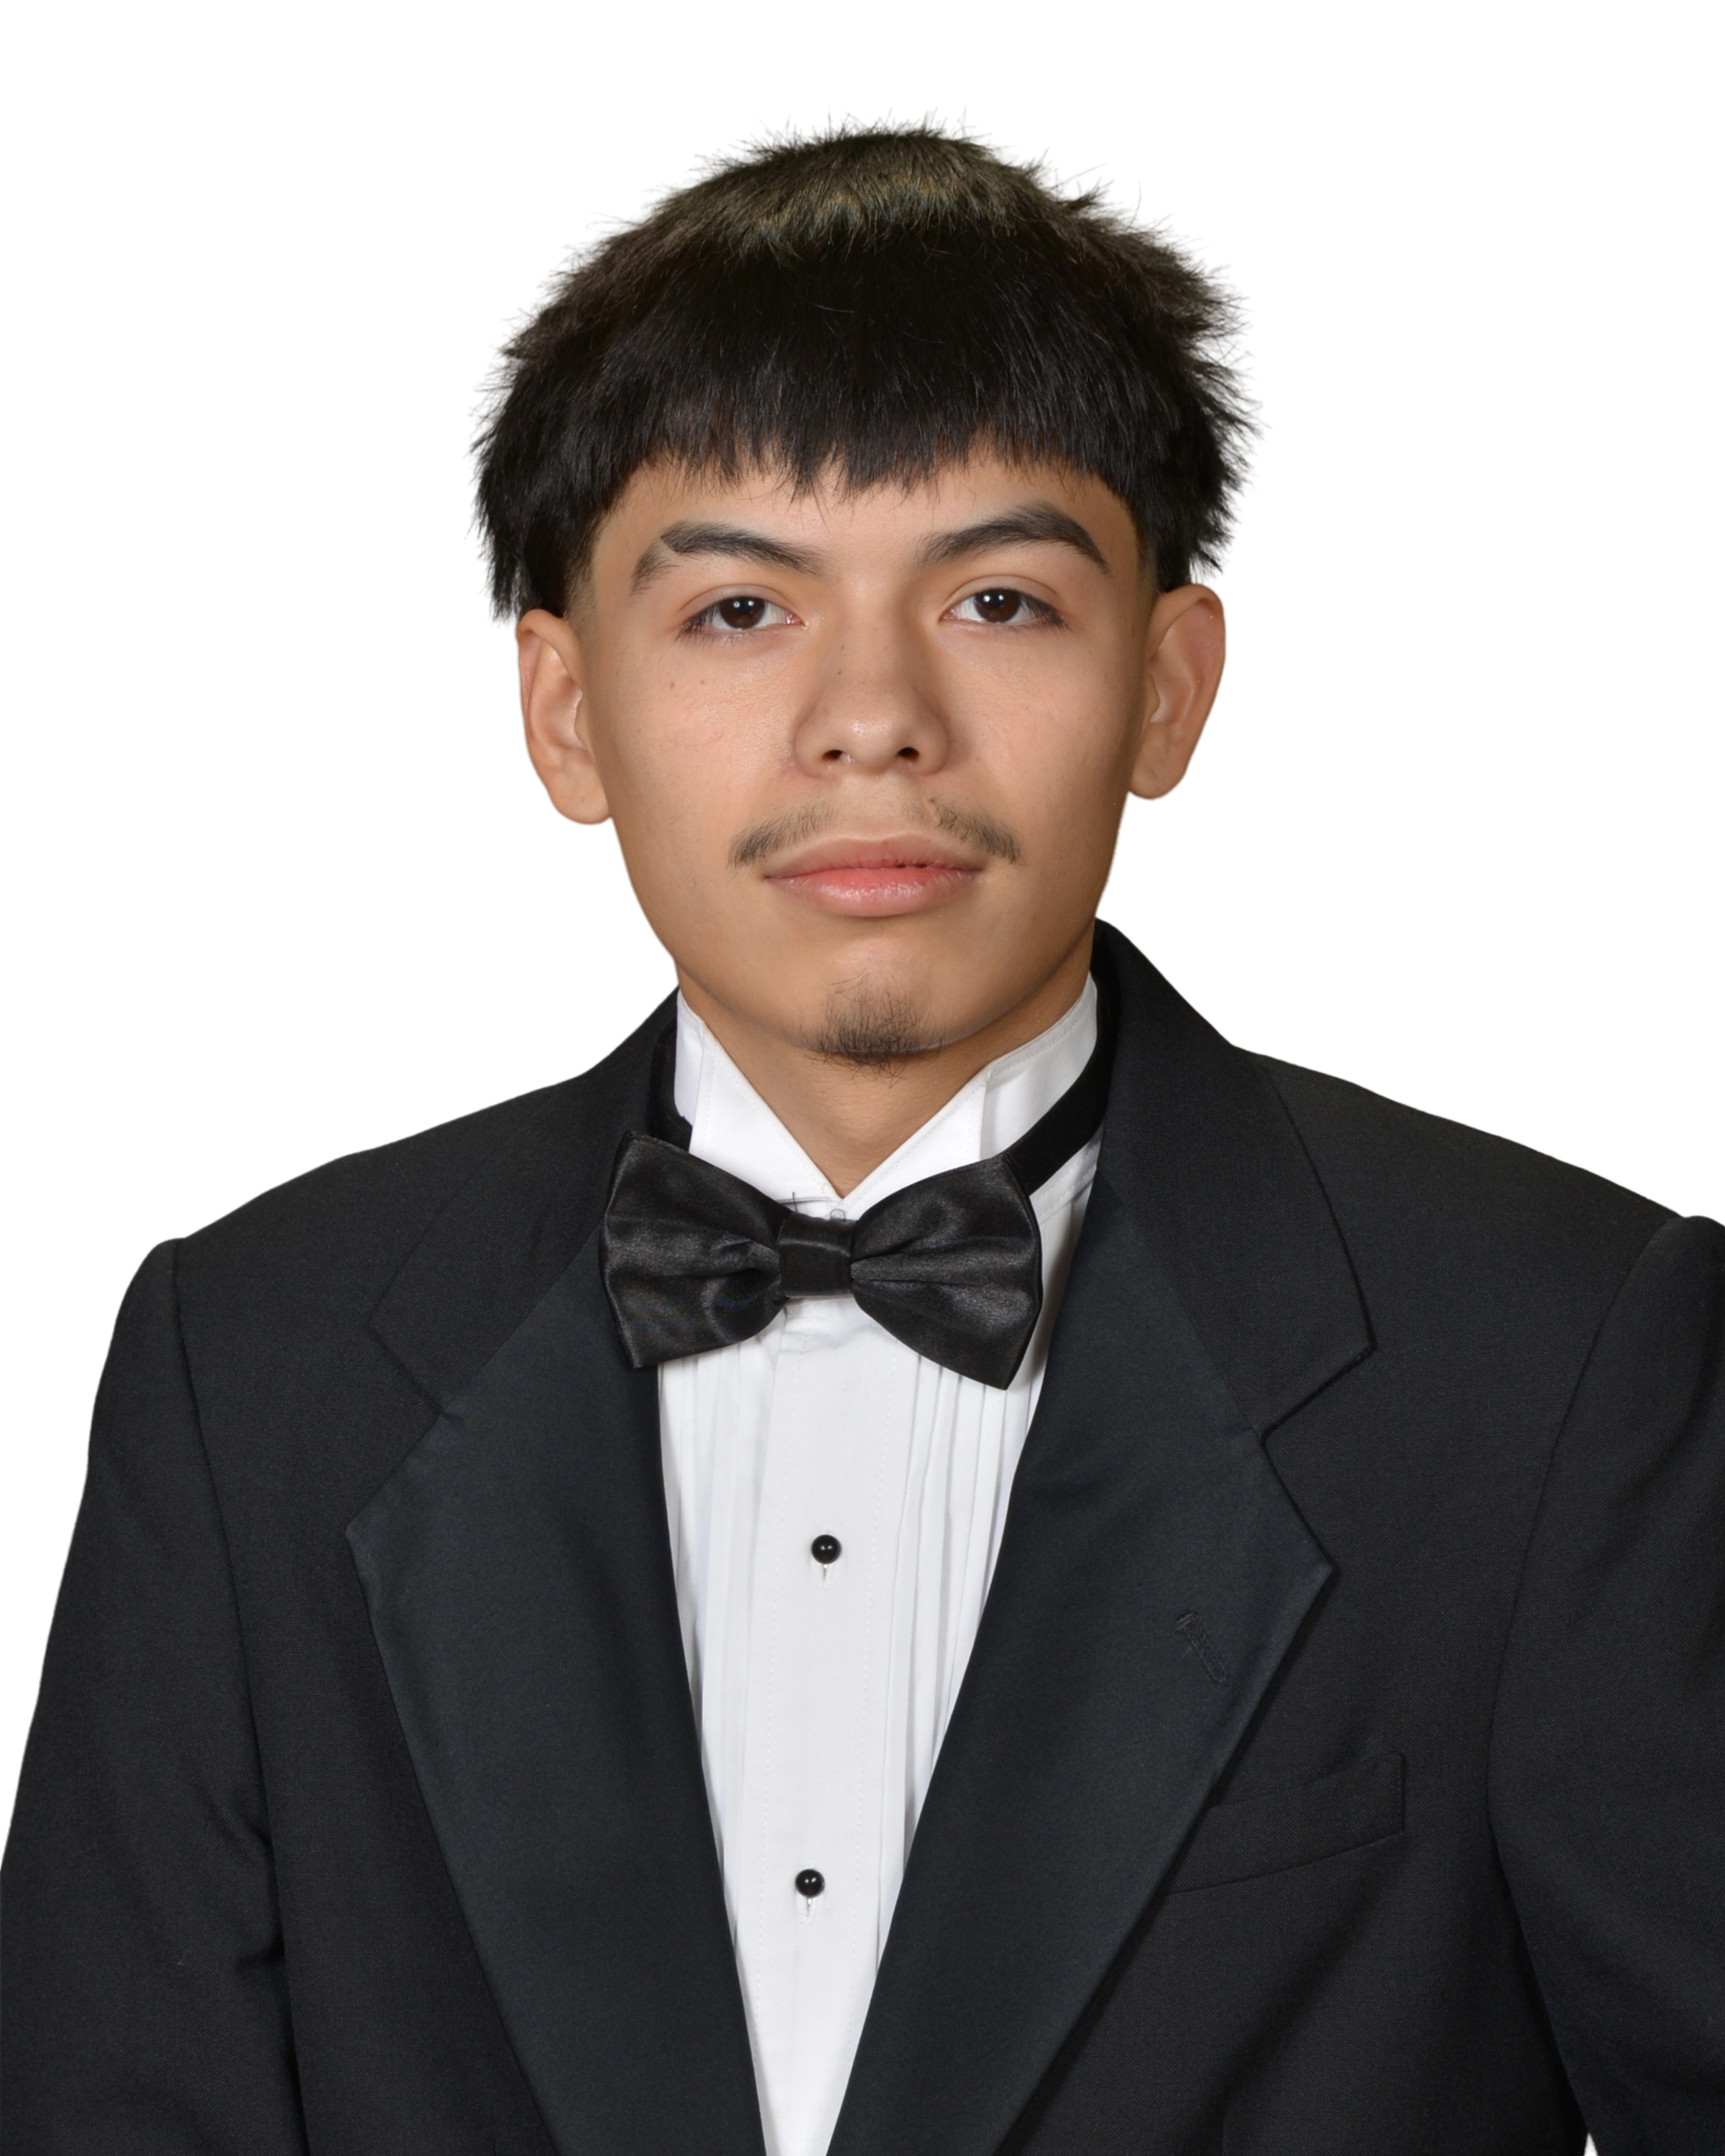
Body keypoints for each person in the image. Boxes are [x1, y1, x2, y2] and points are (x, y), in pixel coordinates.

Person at [4, 106, 1719, 2156]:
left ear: (1173, 684)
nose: (873, 716)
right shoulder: (245, 1359)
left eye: (999, 600)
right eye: (740, 610)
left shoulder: (1565, 1355)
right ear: (563, 710)